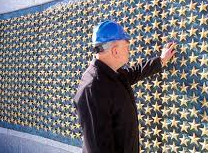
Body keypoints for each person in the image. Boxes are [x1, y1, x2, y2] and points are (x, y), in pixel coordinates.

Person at [73, 20, 176, 153]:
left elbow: (135, 72)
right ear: (115, 51)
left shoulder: (113, 73)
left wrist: (161, 60)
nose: (129, 51)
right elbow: (98, 147)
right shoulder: (92, 89)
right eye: (127, 47)